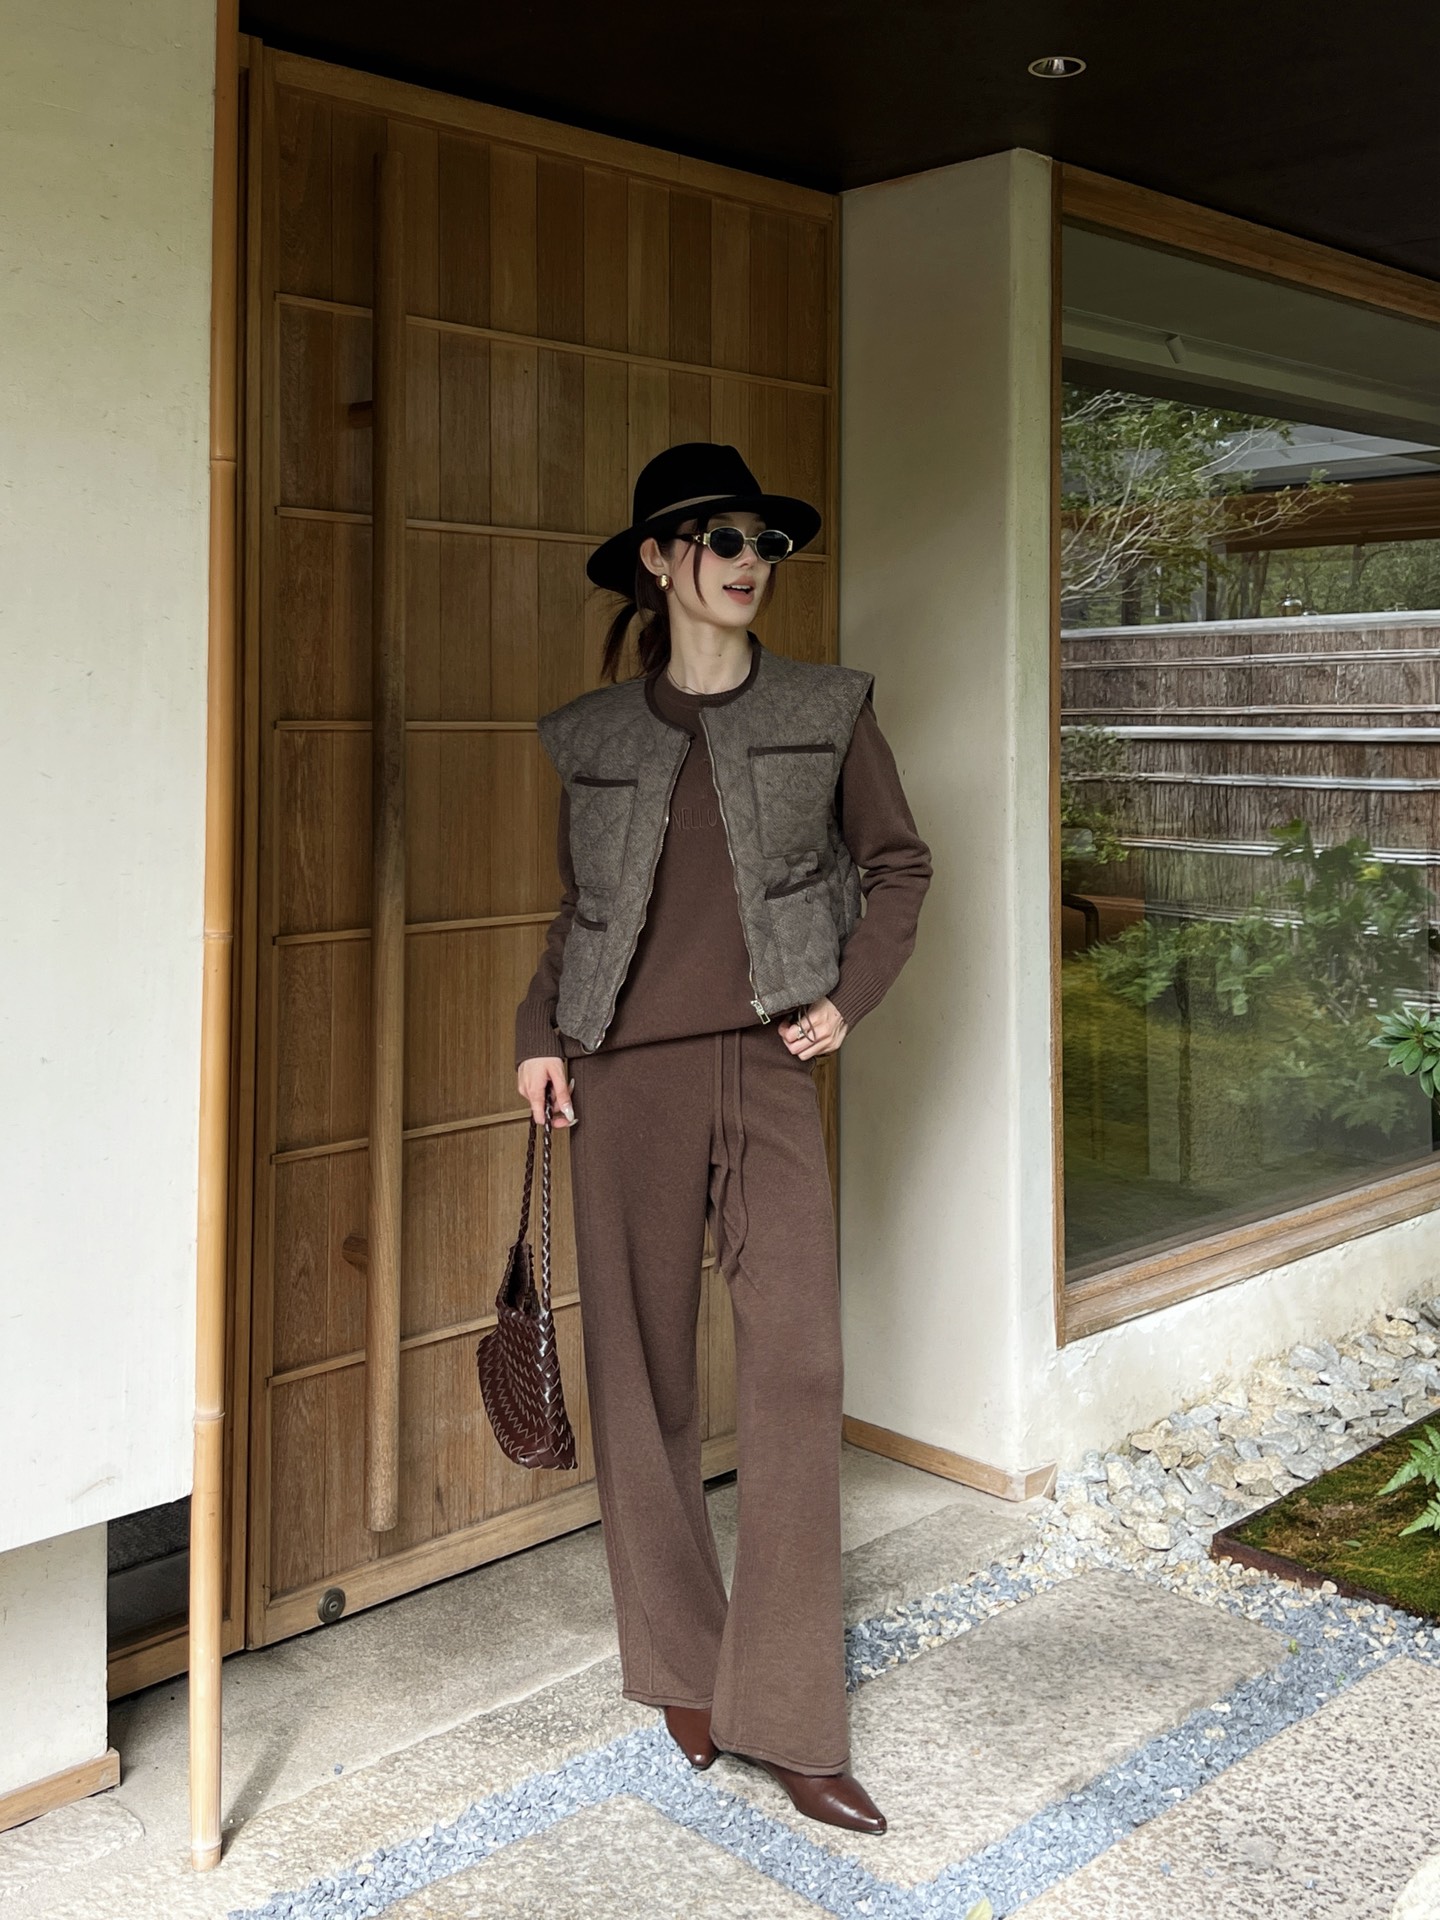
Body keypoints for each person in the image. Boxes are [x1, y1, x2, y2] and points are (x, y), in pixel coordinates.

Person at [514, 442, 931, 1834]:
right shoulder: (590, 735)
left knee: (798, 1368)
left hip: (765, 1064)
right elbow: (577, 909)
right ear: (659, 559)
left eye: (767, 543)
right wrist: (536, 1031)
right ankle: (685, 1667)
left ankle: (793, 1715)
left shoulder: (828, 707)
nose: (752, 563)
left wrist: (847, 999)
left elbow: (899, 865)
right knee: (637, 1375)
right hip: (617, 1076)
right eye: (725, 539)